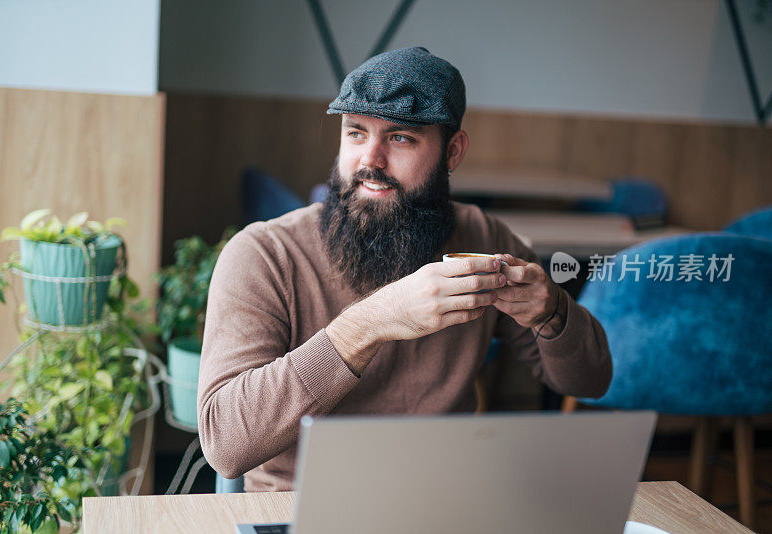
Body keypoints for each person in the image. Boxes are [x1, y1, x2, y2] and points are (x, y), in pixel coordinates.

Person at [197, 47, 612, 492]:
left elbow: (589, 381)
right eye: (356, 133)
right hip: (298, 508)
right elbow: (226, 445)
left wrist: (553, 313)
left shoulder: (482, 238)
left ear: (452, 152)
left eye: (400, 138)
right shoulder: (263, 254)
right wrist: (370, 323)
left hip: (441, 503)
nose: (369, 160)